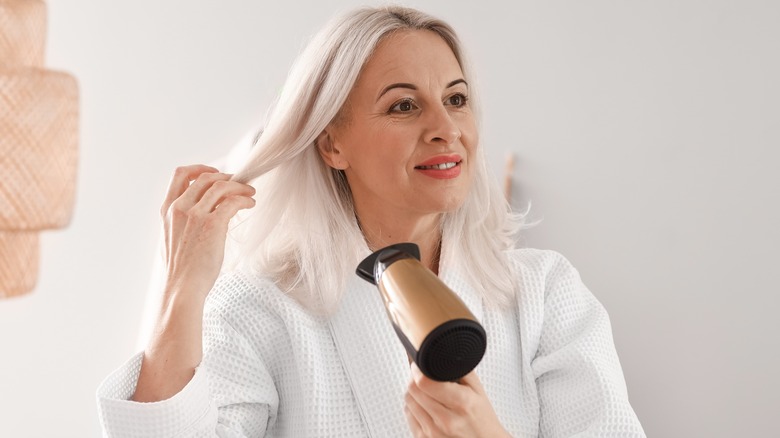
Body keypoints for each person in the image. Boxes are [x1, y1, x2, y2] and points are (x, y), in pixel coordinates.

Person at [96, 5, 646, 437]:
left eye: (456, 99)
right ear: (332, 142)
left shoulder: (545, 295)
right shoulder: (259, 311)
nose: (445, 128)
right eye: (404, 106)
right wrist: (180, 288)